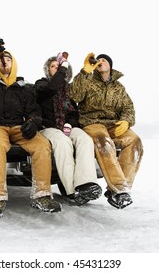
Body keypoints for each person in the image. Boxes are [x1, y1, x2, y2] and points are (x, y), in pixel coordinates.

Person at [0, 36, 62, 218]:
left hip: (18, 127)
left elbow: (34, 110)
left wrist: (33, 122)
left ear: (13, 64)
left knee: (42, 145)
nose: (4, 63)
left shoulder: (24, 88)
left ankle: (41, 195)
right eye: (1, 60)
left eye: (7, 60)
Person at [69, 52, 143, 209]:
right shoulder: (87, 79)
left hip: (114, 124)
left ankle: (116, 190)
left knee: (135, 142)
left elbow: (128, 107)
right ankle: (119, 189)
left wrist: (126, 120)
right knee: (104, 142)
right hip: (92, 122)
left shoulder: (118, 87)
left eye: (104, 60)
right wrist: (85, 72)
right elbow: (73, 95)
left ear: (110, 65)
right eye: (98, 60)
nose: (100, 61)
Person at [33, 52, 102, 205]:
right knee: (63, 143)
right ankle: (72, 190)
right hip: (48, 127)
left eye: (59, 66)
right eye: (53, 66)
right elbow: (52, 88)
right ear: (47, 70)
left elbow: (74, 112)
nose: (57, 69)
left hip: (66, 126)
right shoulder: (41, 84)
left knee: (84, 139)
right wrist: (63, 68)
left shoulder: (68, 90)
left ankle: (85, 184)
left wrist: (69, 124)